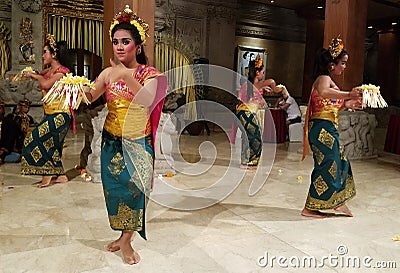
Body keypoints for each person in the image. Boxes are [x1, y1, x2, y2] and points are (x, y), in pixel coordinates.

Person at [84, 5, 167, 265]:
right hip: (111, 141)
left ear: (138, 46)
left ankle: (127, 241)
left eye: (126, 42)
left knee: (135, 192)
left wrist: (125, 75)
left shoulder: (150, 74)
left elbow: (147, 99)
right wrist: (71, 89)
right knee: (116, 192)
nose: (119, 47)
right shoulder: (107, 73)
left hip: (138, 143)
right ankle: (123, 236)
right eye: (116, 42)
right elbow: (90, 96)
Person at [301, 36, 362, 218]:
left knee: (340, 161)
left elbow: (331, 106)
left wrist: (348, 104)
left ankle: (338, 202)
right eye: (342, 63)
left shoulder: (330, 81)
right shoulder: (323, 78)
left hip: (327, 126)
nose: (344, 67)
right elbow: (324, 92)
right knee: (328, 163)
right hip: (320, 128)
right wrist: (349, 93)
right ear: (332, 64)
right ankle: (311, 206)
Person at [20, 34, 72, 188]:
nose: (42, 55)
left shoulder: (62, 72)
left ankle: (47, 172)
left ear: (54, 54)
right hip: (50, 113)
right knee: (53, 145)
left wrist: (34, 76)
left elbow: (46, 83)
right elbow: (42, 74)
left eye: (45, 52)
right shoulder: (50, 69)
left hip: (61, 115)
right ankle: (61, 175)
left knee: (33, 139)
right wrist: (33, 73)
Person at [236, 54, 281, 169]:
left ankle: (245, 161)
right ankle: (252, 163)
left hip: (242, 112)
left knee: (247, 137)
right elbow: (272, 81)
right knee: (255, 137)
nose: (263, 74)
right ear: (257, 72)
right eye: (262, 72)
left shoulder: (248, 84)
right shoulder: (258, 84)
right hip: (249, 113)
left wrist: (262, 88)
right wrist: (278, 89)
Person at [0, 99, 35, 164]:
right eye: (25, 107)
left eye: (28, 107)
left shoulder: (29, 118)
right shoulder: (12, 117)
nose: (27, 109)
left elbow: (11, 137)